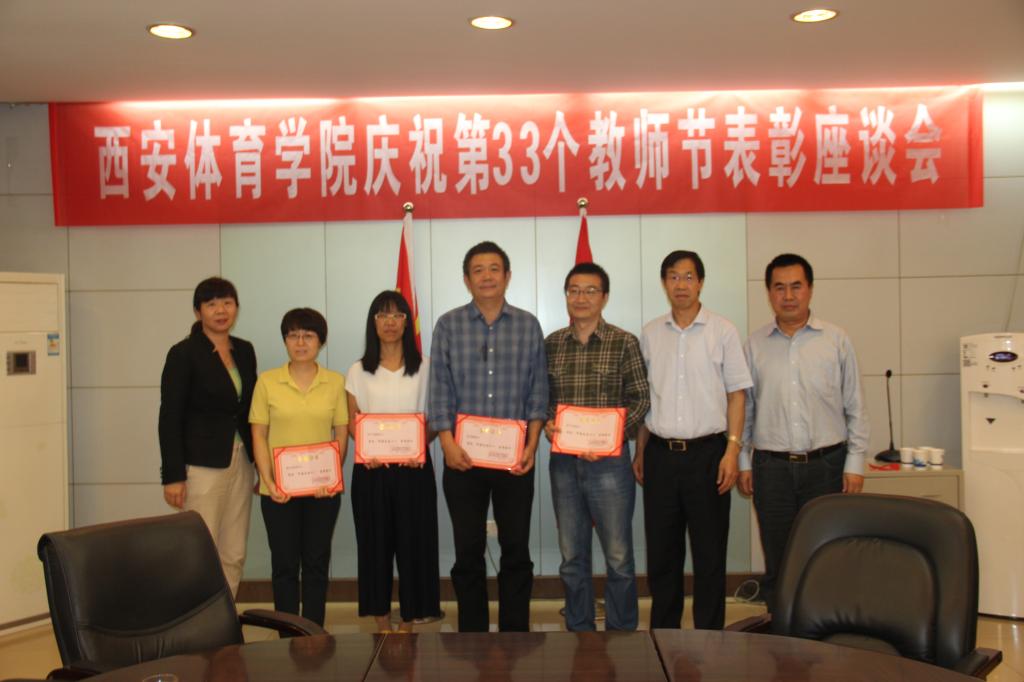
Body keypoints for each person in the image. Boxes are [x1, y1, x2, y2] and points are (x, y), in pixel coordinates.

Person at [428, 241, 548, 632]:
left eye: (494, 268)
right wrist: (447, 444)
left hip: (516, 459)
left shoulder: (528, 325)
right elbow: (439, 389)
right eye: (478, 270)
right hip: (462, 458)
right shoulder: (448, 325)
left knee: (516, 548)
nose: (487, 276)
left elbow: (538, 391)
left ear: (507, 276)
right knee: (468, 550)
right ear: (467, 279)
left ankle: (515, 633)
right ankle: (472, 635)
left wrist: (532, 445)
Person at [738, 253, 869, 612]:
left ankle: (825, 628)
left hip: (827, 466)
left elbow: (855, 404)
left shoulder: (836, 340)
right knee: (779, 557)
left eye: (796, 286)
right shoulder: (754, 345)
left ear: (810, 289)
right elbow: (745, 409)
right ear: (769, 293)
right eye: (779, 288)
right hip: (772, 469)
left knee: (827, 553)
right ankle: (780, 628)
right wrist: (744, 461)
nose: (788, 296)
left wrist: (855, 463)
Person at [633, 250, 752, 630]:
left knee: (709, 554)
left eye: (688, 276)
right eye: (673, 276)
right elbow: (646, 399)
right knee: (662, 555)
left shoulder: (723, 331)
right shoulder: (651, 333)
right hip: (660, 455)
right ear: (663, 283)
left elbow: (737, 395)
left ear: (700, 282)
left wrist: (733, 451)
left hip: (709, 455)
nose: (680, 284)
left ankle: (710, 638)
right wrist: (640, 451)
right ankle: (664, 636)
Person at [544, 262, 650, 632]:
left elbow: (641, 399)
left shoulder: (624, 342)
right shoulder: (552, 344)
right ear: (566, 296)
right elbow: (542, 399)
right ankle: (579, 631)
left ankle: (622, 634)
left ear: (604, 297)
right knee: (572, 557)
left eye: (590, 291)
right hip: (564, 464)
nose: (581, 298)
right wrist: (549, 423)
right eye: (574, 290)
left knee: (618, 557)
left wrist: (611, 437)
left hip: (611, 465)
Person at [346, 290, 442, 633]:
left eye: (398, 315)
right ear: (373, 323)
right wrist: (366, 448)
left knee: (415, 545)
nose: (390, 322)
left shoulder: (427, 367)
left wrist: (419, 445)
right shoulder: (358, 370)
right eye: (383, 315)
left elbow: (437, 417)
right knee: (374, 545)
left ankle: (410, 621)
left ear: (407, 322)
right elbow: (353, 420)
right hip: (371, 470)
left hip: (414, 470)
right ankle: (382, 621)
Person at [158, 276, 257, 598]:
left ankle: (224, 618)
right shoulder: (184, 353)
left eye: (227, 303)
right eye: (211, 304)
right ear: (198, 311)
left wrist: (263, 467)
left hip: (241, 461)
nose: (221, 310)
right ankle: (198, 620)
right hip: (201, 466)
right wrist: (173, 476)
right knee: (200, 550)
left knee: (234, 551)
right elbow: (170, 417)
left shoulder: (244, 350)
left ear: (236, 307)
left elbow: (250, 411)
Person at [249, 308, 348, 627]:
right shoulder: (267, 381)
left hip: (322, 491)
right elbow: (258, 434)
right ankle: (287, 635)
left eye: (308, 335)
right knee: (284, 566)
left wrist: (332, 477)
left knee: (317, 565)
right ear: (285, 341)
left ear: (321, 341)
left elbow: (341, 433)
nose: (301, 342)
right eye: (293, 335)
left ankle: (313, 633)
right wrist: (268, 481)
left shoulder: (335, 382)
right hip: (278, 491)